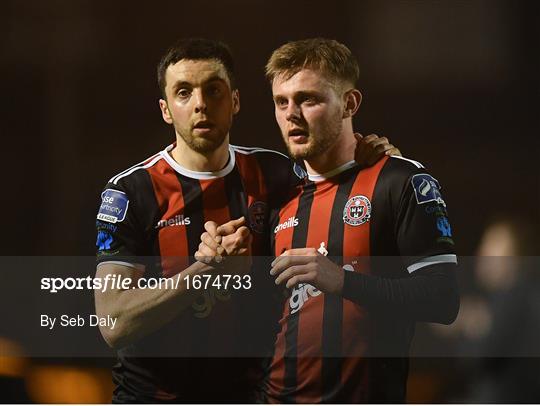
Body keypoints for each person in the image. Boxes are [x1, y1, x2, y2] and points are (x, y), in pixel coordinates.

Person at [94, 38, 398, 403]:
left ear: (235, 101)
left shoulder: (275, 174)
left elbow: (338, 183)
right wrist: (205, 271)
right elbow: (113, 323)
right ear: (165, 109)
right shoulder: (131, 191)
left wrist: (377, 158)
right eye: (184, 92)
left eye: (214, 90)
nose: (201, 104)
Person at [197, 38, 460, 403]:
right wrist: (221, 266)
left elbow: (443, 300)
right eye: (281, 101)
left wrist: (341, 280)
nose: (291, 113)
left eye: (309, 99)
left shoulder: (400, 182)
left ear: (349, 103)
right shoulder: (277, 197)